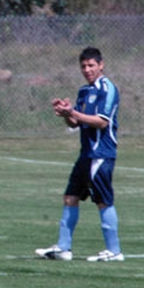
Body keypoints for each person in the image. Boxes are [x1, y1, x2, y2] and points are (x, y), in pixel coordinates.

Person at [35, 47, 123, 262]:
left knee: (103, 201)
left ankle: (114, 251)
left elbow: (102, 121)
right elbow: (75, 123)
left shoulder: (107, 89)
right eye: (83, 66)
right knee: (70, 197)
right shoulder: (84, 91)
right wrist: (66, 113)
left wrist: (73, 112)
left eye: (91, 65)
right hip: (86, 154)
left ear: (101, 65)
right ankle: (63, 248)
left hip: (101, 154)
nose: (87, 69)